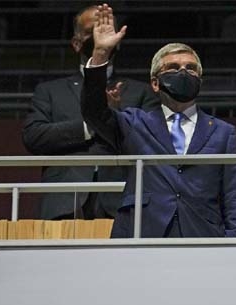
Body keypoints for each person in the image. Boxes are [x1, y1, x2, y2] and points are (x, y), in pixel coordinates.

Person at [81, 4, 236, 238]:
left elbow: (233, 197)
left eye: (190, 68)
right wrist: (100, 54)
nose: (183, 72)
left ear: (200, 80)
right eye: (173, 68)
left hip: (203, 236)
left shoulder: (223, 132)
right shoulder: (134, 123)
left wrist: (235, 246)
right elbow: (94, 112)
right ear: (155, 83)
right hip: (142, 233)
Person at [22, 4, 160, 221]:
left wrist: (114, 120)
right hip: (64, 202)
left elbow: (152, 140)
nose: (99, 37)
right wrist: (92, 124)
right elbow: (34, 136)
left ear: (118, 41)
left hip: (123, 202)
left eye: (105, 30)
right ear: (77, 43)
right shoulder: (50, 91)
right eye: (91, 32)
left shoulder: (141, 92)